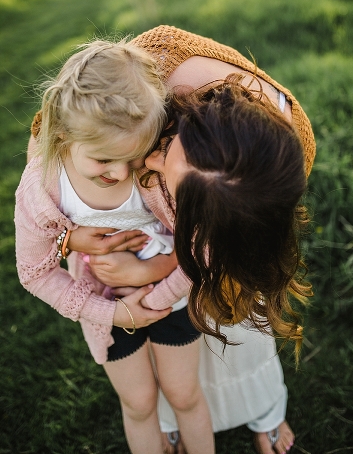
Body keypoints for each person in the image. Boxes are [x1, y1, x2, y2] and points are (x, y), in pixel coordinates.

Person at [62, 25, 315, 454]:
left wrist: (154, 271)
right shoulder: (147, 77)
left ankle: (264, 411)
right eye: (165, 153)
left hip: (202, 246)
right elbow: (56, 134)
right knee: (177, 364)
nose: (152, 161)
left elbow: (213, 249)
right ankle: (169, 415)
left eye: (165, 175)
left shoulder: (287, 149)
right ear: (190, 121)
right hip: (147, 246)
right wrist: (70, 238)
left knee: (237, 325)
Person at [15, 40, 215, 454]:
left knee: (184, 394)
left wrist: (154, 283)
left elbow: (206, 245)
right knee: (139, 402)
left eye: (134, 155)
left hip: (173, 297)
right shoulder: (43, 189)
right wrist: (116, 312)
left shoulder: (160, 169)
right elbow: (34, 271)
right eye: (104, 159)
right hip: (104, 309)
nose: (122, 172)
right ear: (63, 135)